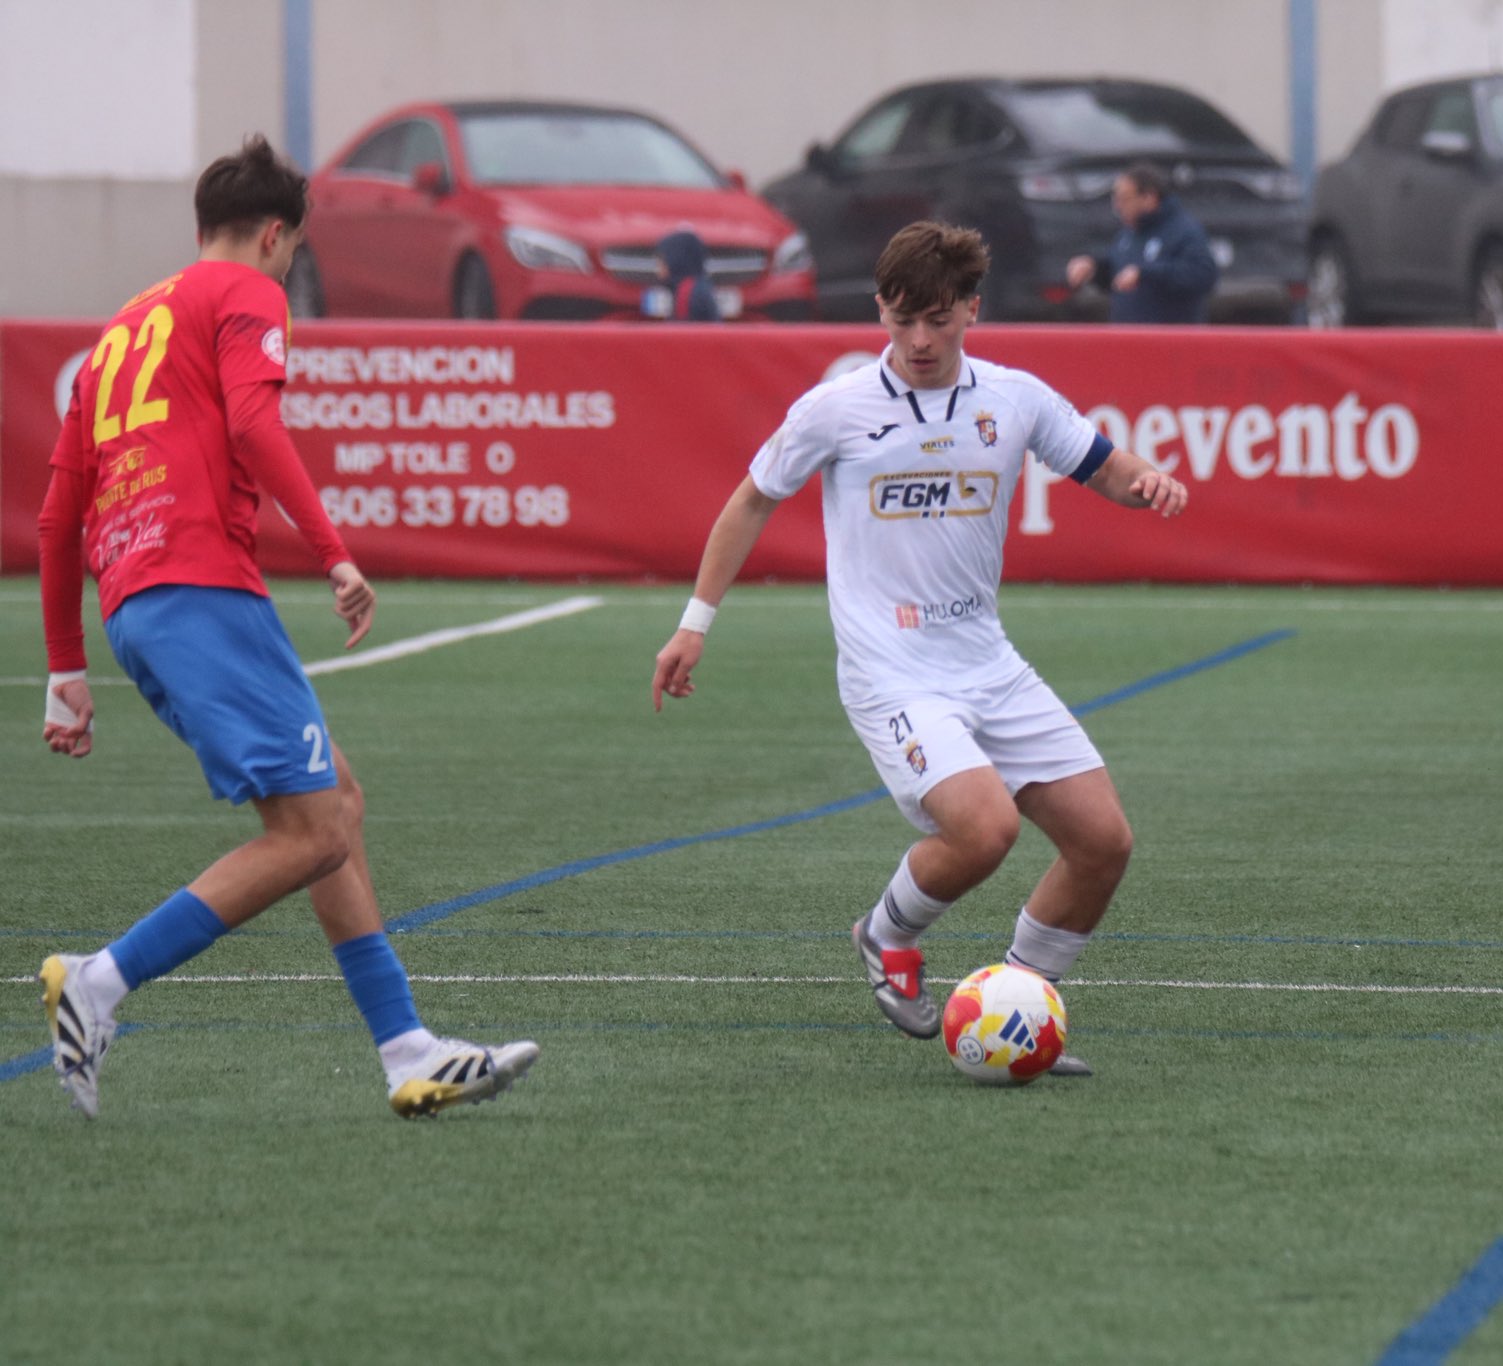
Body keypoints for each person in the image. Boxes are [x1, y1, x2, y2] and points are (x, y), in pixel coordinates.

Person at [35, 135, 538, 1117]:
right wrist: (333, 549)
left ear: (199, 228)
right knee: (311, 832)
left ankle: (405, 1049)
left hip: (138, 602)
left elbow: (59, 515)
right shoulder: (248, 294)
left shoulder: (121, 331)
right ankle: (99, 979)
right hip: (201, 591)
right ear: (277, 237)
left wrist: (66, 667)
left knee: (333, 803)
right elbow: (253, 426)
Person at [651, 220, 1187, 1073]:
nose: (920, 341)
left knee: (1104, 843)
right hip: (889, 671)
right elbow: (751, 500)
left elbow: (1104, 466)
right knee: (985, 830)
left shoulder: (1012, 399)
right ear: (881, 312)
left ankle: (1019, 1005)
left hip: (986, 660)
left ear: (973, 309)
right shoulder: (837, 408)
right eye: (901, 321)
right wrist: (694, 622)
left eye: (938, 319)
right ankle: (885, 934)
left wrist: (1145, 483)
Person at [1064, 162, 1219, 323]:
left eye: (1124, 199)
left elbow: (1203, 276)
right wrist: (1093, 268)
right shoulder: (1129, 233)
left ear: (1148, 198)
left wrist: (1146, 274)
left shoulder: (1184, 231)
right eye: (1115, 199)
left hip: (1168, 340)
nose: (1117, 207)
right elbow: (1118, 274)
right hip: (1127, 339)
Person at [649, 227, 722, 322]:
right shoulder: (692, 288)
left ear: (674, 261)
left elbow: (682, 331)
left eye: (661, 262)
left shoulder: (688, 293)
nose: (658, 269)